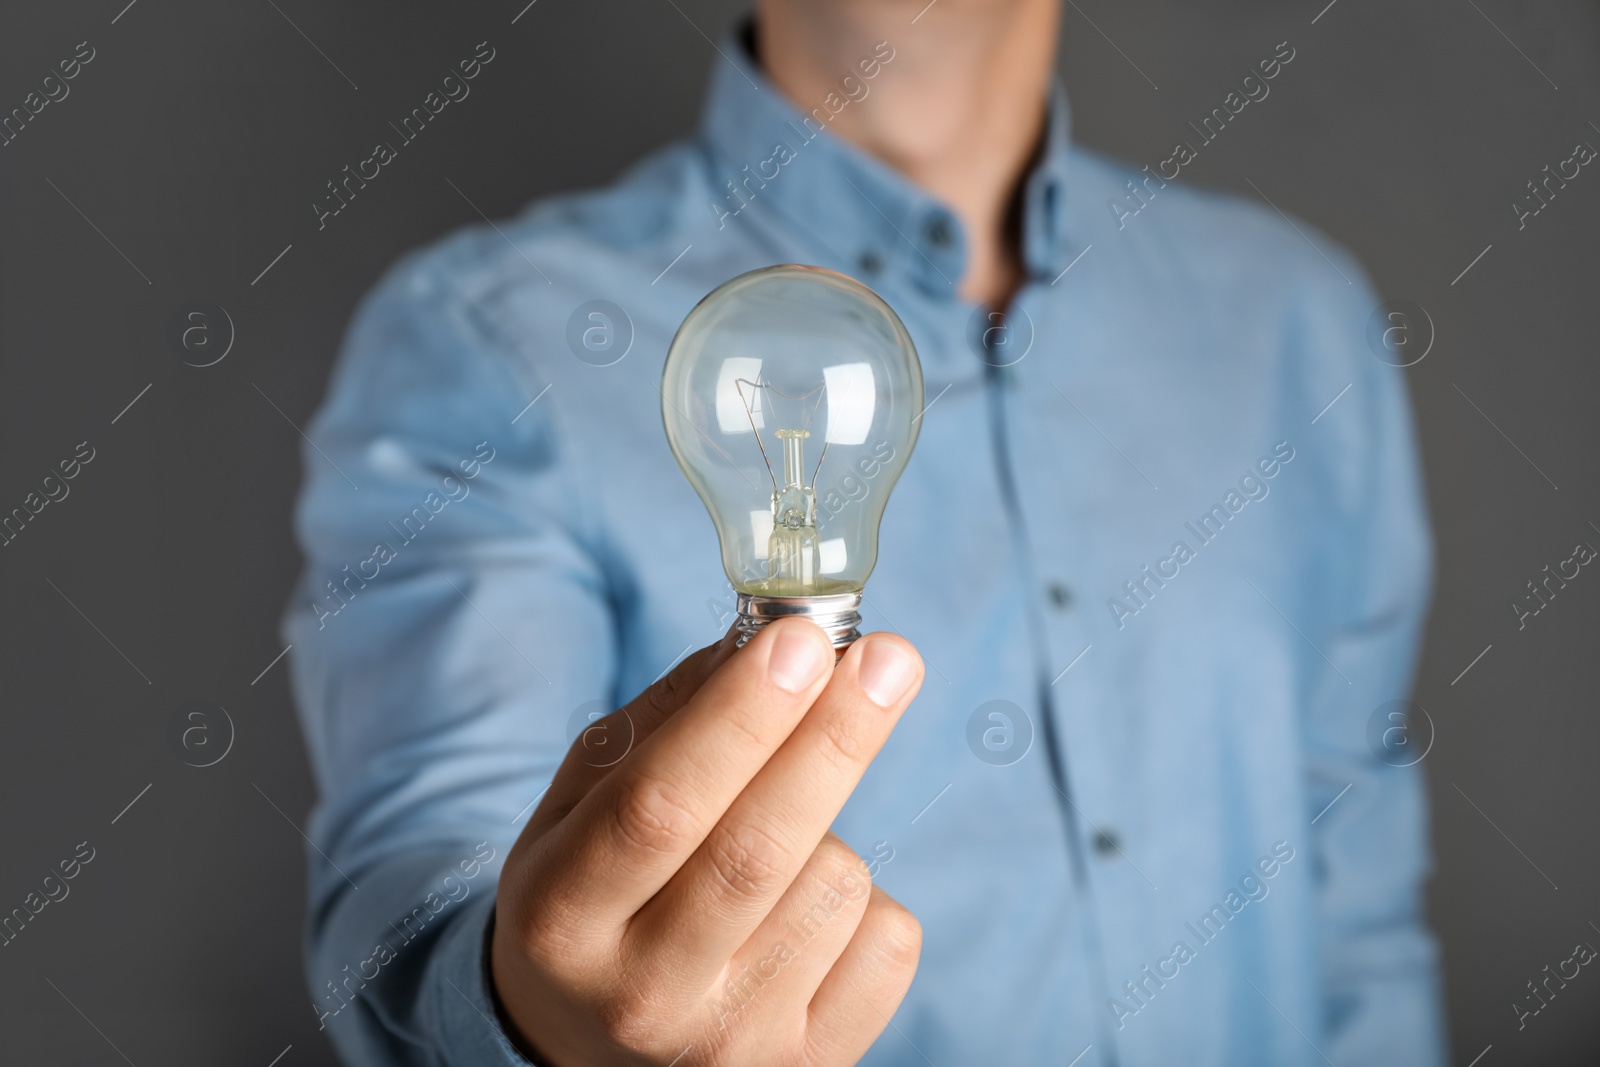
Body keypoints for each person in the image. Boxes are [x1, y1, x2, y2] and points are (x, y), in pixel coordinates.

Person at [284, 0, 1445, 1063]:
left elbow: (1355, 908)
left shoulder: (1297, 323)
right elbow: (422, 885)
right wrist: (536, 1011)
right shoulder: (494, 342)